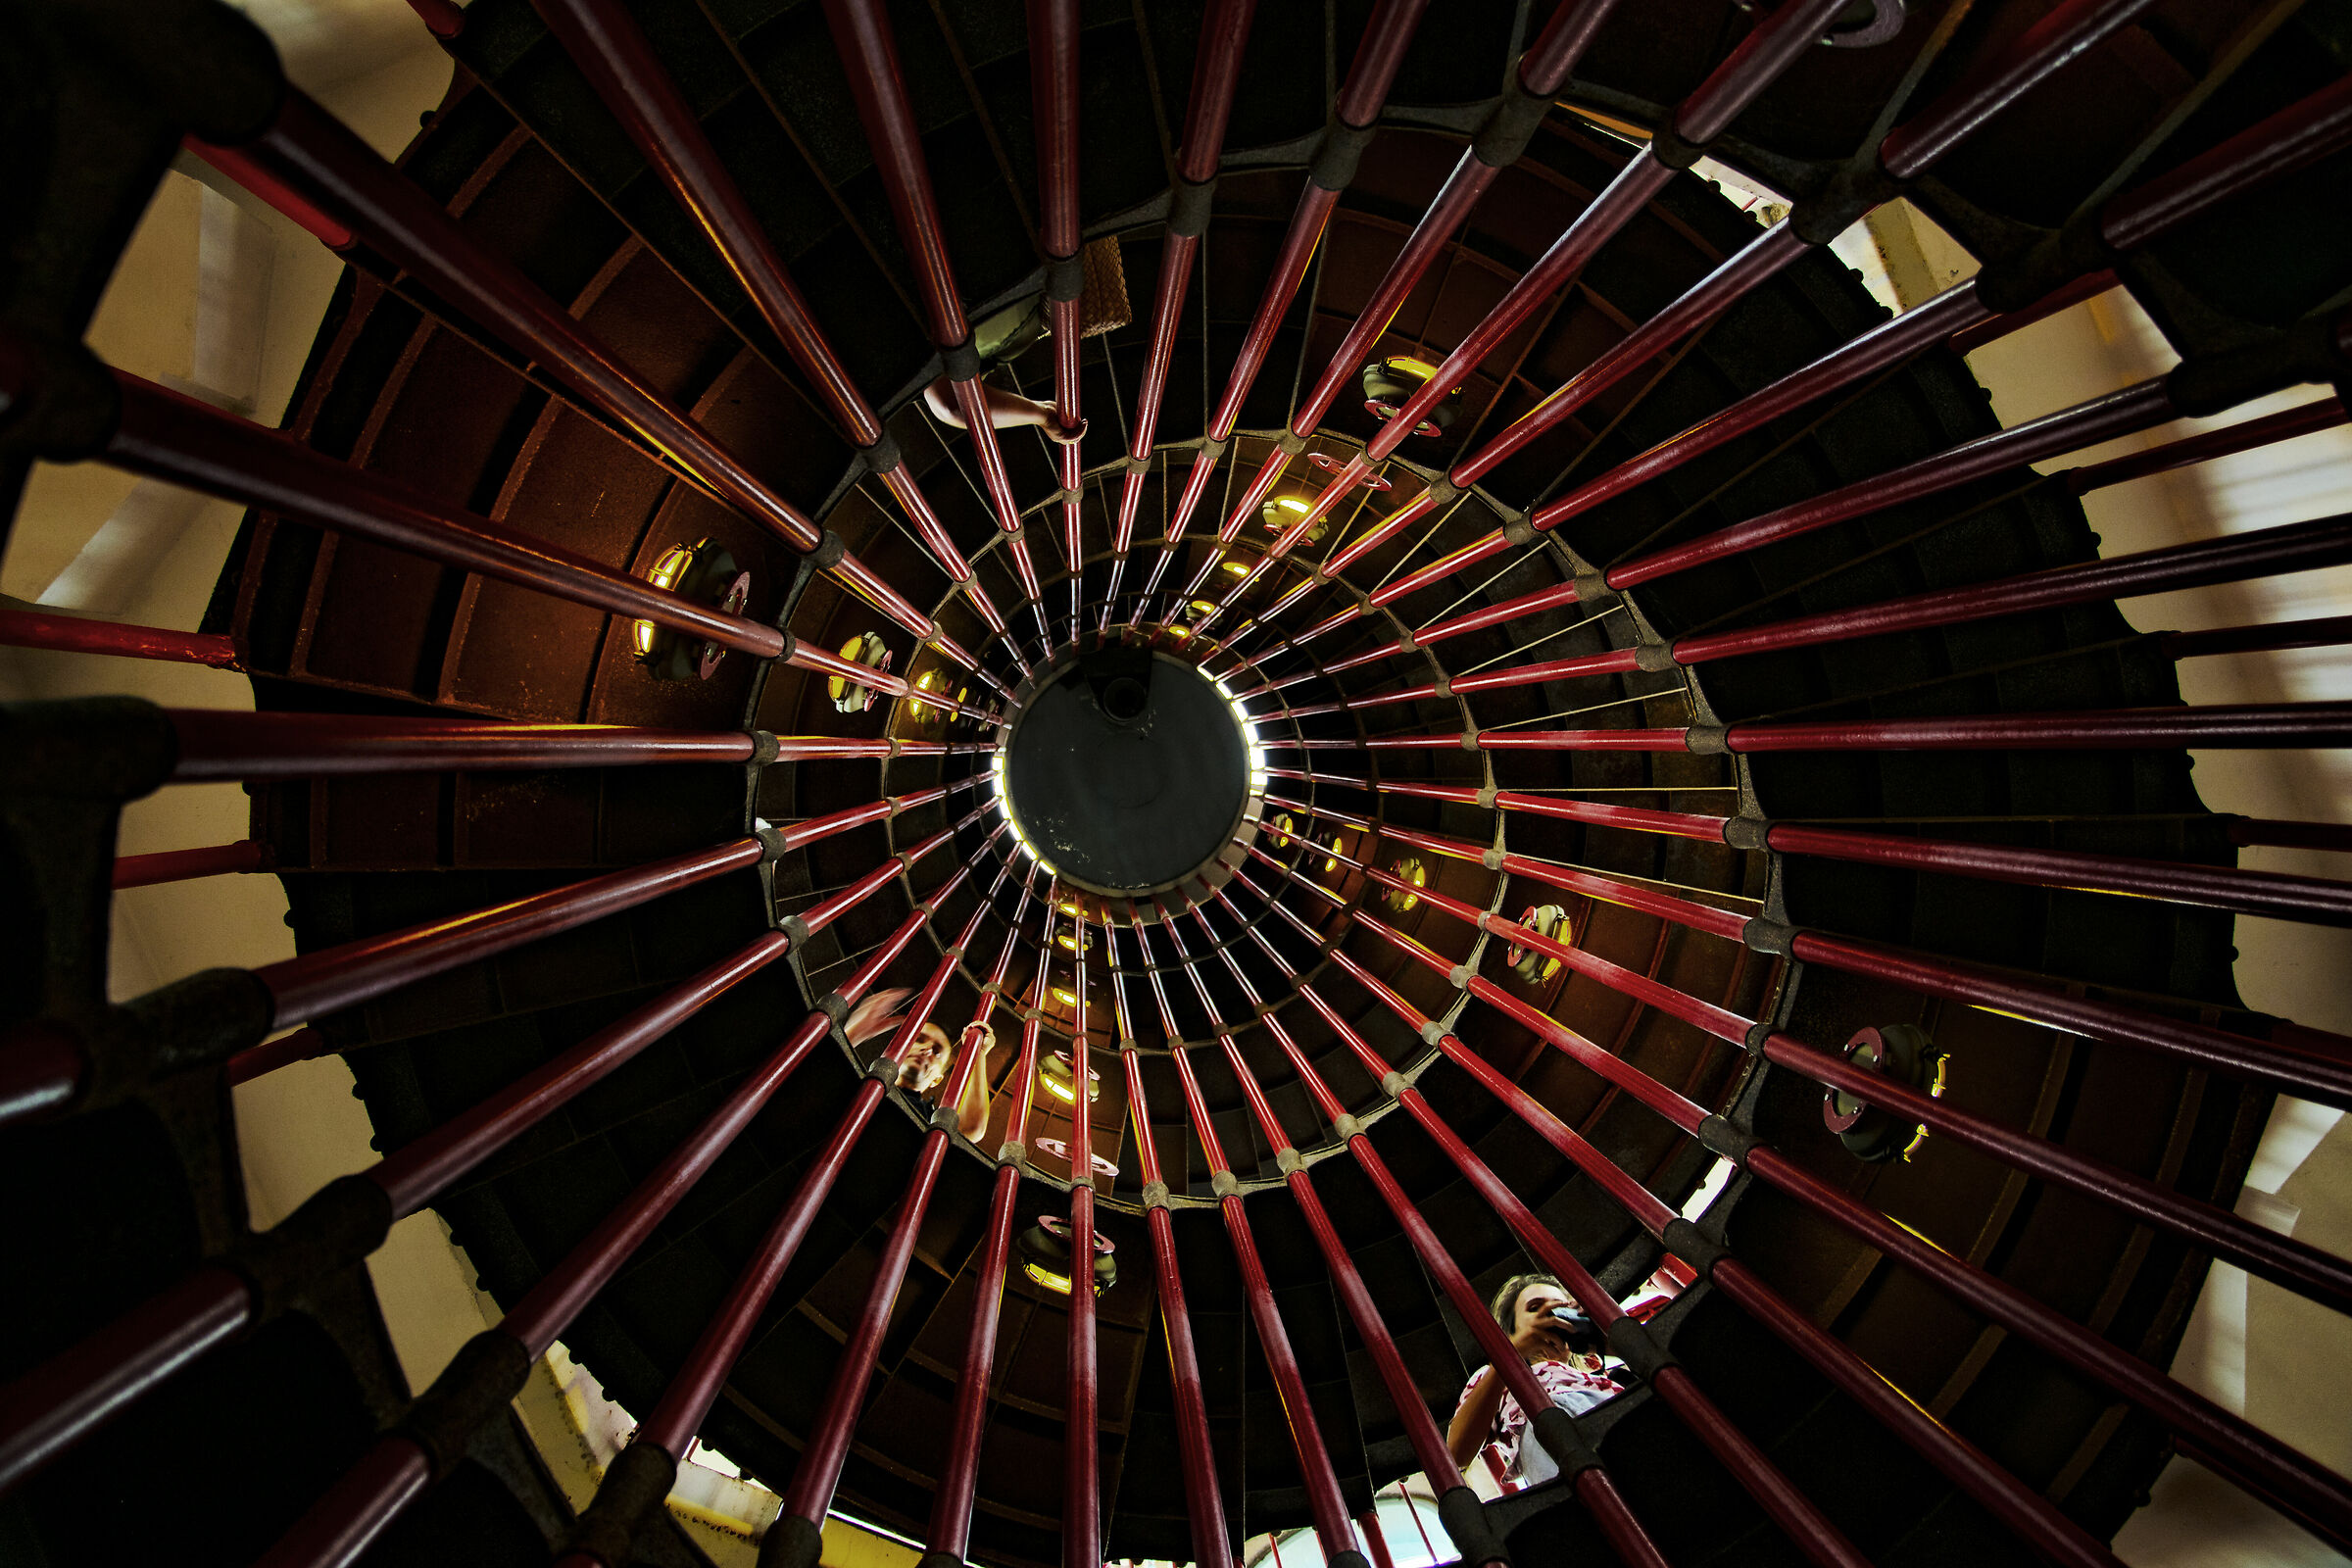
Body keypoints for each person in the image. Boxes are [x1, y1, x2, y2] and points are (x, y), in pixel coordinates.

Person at [1446, 1273, 1624, 1487]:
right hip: (1540, 1433)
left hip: (1607, 1405)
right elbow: (1456, 1454)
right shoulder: (1494, 1376)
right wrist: (1512, 1354)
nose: (1553, 1317)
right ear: (1512, 1331)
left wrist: (1603, 1339)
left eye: (1562, 1309)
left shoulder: (1596, 1376)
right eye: (1535, 1308)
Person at [845, 989, 998, 1140]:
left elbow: (970, 1128)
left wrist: (977, 1053)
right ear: (900, 1049)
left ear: (936, 1080)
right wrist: (852, 1034)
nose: (928, 1050)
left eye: (937, 1052)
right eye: (920, 1039)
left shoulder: (932, 1121)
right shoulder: (858, 1080)